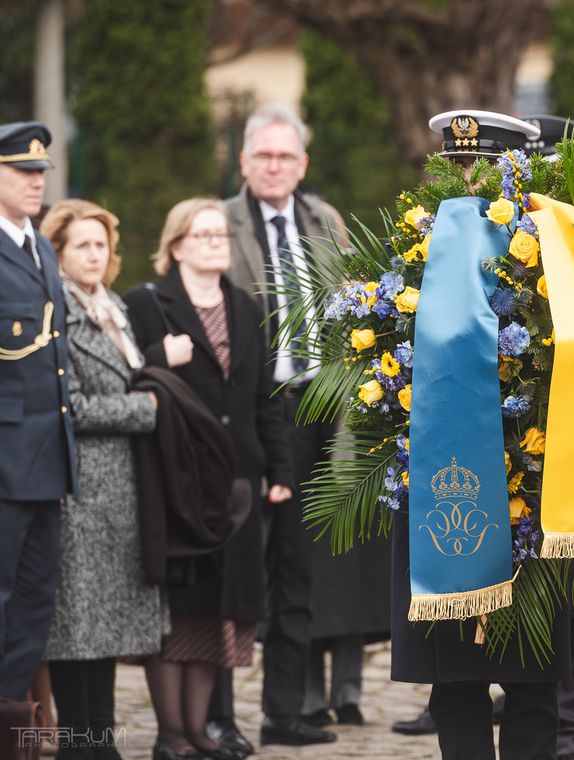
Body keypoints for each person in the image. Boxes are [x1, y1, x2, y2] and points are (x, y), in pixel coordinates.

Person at [383, 109, 569, 760]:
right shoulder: (413, 250)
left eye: (482, 165)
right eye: (457, 164)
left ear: (512, 169)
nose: (467, 177)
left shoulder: (548, 242)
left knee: (532, 679)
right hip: (440, 488)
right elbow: (377, 352)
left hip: (528, 487)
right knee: (452, 680)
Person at [212, 103, 367, 748]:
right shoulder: (218, 224)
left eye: (286, 157)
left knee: (297, 565)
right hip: (245, 415)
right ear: (244, 162)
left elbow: (359, 295)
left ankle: (286, 710)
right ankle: (214, 713)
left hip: (311, 411)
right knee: (234, 565)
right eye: (263, 156)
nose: (274, 167)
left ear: (302, 165)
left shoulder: (323, 222)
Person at [124, 198, 294, 760]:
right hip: (177, 478)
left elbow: (266, 396)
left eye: (221, 234)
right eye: (202, 235)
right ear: (175, 247)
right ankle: (169, 735)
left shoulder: (246, 307)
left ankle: (198, 732)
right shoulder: (147, 304)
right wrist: (156, 355)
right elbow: (119, 376)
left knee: (222, 607)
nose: (216, 242)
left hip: (239, 479)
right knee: (179, 606)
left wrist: (279, 468)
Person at [39, 200, 165, 759]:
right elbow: (66, 405)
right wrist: (143, 411)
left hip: (124, 490)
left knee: (106, 631)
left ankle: (103, 743)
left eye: (102, 244)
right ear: (58, 254)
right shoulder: (56, 310)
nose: (96, 254)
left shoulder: (111, 304)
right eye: (82, 245)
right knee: (77, 631)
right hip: (80, 492)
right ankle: (79, 745)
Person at [0, 121, 75, 700]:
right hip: (5, 461)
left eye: (40, 173)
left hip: (47, 457)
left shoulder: (40, 246)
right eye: (21, 172)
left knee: (32, 605)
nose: (35, 182)